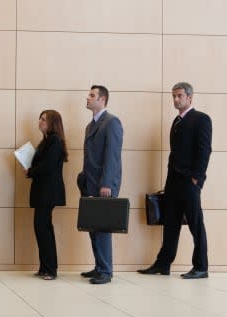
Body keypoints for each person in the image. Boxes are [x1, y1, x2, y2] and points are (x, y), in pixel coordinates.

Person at [138, 82, 212, 279]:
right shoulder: (176, 121)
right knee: (171, 225)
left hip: (190, 182)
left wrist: (197, 179)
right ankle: (163, 264)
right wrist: (168, 184)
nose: (176, 99)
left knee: (196, 224)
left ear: (190, 97)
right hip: (173, 183)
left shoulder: (201, 119)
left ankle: (201, 267)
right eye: (174, 96)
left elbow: (204, 151)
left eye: (179, 96)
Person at [77, 85, 123, 285]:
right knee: (93, 227)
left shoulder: (111, 122)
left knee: (102, 228)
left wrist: (106, 184)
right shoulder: (91, 125)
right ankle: (99, 266)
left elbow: (112, 157)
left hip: (103, 185)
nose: (88, 98)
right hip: (90, 183)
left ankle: (105, 270)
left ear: (102, 99)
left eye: (92, 95)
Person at [24, 110, 67, 280]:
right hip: (43, 191)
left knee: (43, 229)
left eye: (43, 119)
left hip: (48, 192)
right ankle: (44, 267)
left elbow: (48, 166)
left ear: (52, 123)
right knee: (41, 228)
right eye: (40, 118)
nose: (39, 121)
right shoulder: (47, 141)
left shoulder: (54, 141)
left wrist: (31, 171)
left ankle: (50, 269)